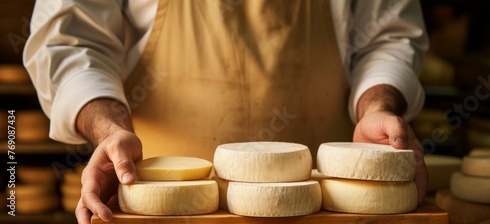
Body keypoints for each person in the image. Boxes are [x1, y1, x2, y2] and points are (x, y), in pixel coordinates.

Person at [24, 0, 428, 223]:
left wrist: (377, 106)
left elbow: (387, 34)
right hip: (161, 209)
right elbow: (70, 42)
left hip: (321, 211)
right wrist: (109, 129)